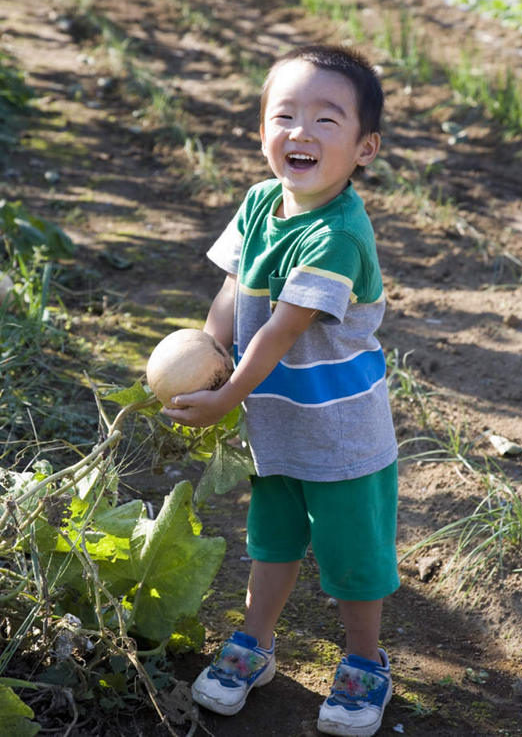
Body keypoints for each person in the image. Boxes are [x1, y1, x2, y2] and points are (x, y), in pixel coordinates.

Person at [163, 44, 399, 737]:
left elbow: (278, 332)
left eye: (327, 119)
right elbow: (234, 292)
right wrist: (207, 354)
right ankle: (254, 644)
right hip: (276, 423)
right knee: (271, 541)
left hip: (341, 435)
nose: (300, 131)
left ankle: (364, 662)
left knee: (353, 559)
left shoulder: (337, 236)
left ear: (364, 147)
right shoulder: (262, 200)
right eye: (284, 114)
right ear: (260, 128)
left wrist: (228, 392)